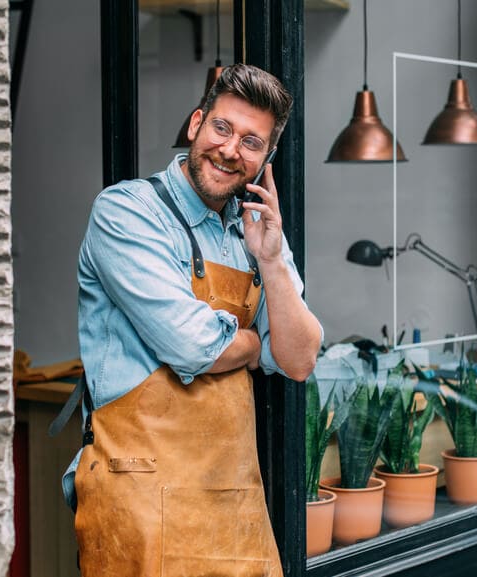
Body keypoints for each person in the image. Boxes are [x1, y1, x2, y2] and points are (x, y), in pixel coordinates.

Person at [71, 63, 322, 576]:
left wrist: (272, 260)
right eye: (222, 128)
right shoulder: (128, 212)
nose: (231, 150)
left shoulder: (257, 233)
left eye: (252, 142)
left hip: (233, 500)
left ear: (266, 160)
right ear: (195, 124)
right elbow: (192, 347)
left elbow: (298, 359)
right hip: (138, 500)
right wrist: (254, 346)